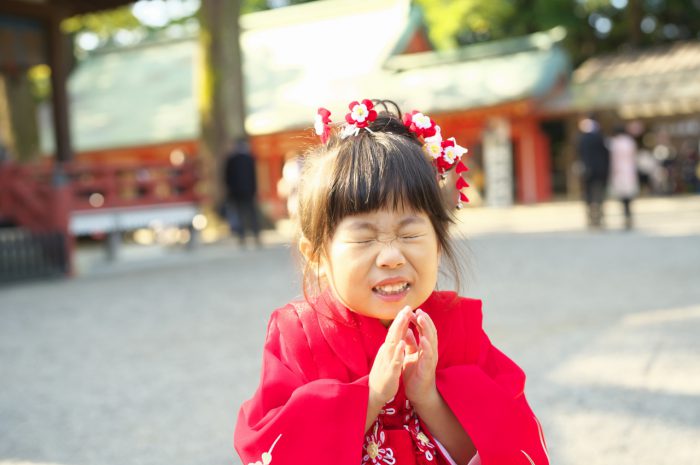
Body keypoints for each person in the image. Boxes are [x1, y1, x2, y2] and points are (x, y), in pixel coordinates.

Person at [234, 100, 549, 465]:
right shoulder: (299, 336)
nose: (391, 256)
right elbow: (270, 447)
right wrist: (370, 398)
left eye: (410, 234)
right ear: (317, 255)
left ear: (439, 241)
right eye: (364, 238)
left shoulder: (458, 329)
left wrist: (427, 397)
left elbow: (508, 446)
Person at [224, 138, 261, 247]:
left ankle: (243, 237)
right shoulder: (249, 159)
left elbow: (227, 178)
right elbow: (253, 177)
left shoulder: (232, 160)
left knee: (241, 214)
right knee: (251, 214)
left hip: (237, 192)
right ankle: (255, 235)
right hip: (248, 191)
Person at [576, 115, 609, 228]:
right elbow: (606, 154)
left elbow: (579, 155)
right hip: (600, 170)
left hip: (587, 170)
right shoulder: (600, 137)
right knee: (599, 193)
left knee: (588, 194)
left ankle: (591, 217)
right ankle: (599, 216)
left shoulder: (582, 139)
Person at [609, 126, 639, 229]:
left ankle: (625, 216)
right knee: (629, 196)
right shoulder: (630, 142)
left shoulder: (614, 143)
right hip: (629, 171)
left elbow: (613, 160)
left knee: (622, 196)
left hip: (619, 171)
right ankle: (629, 216)